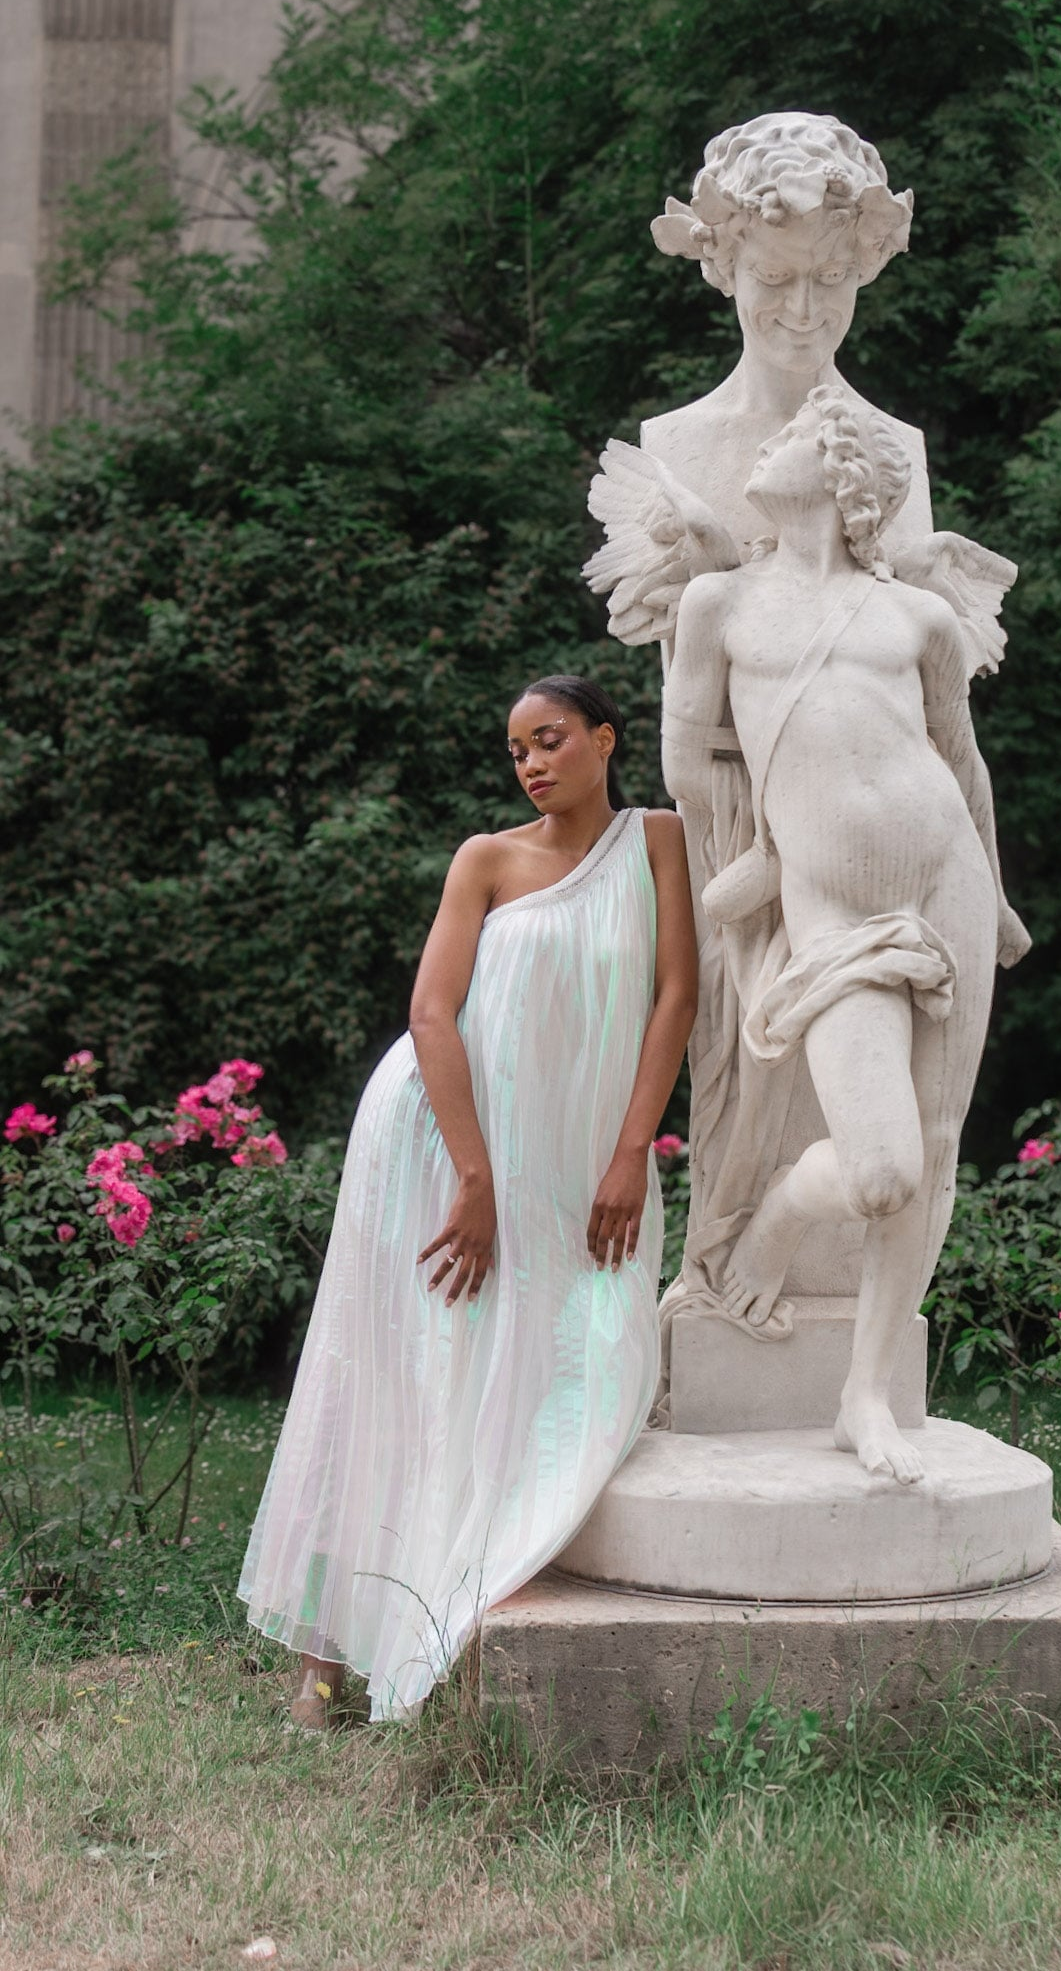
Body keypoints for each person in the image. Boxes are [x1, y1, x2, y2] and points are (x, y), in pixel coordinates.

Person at [238, 677, 697, 1724]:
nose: (533, 762)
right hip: (440, 1140)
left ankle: (455, 1594)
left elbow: (678, 994)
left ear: (603, 739)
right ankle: (329, 1654)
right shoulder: (485, 860)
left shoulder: (658, 840)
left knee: (590, 1354)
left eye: (551, 740)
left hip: (584, 1157)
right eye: (516, 749)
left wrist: (633, 1151)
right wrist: (474, 1175)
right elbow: (432, 1013)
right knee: (404, 1366)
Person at [662, 388, 1027, 1485]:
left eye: (784, 440)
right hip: (826, 904)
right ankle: (772, 1220)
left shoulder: (916, 617)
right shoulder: (717, 604)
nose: (761, 451)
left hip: (946, 875)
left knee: (937, 1144)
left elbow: (961, 765)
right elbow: (689, 763)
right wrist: (752, 856)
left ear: (840, 475)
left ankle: (864, 1395)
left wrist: (996, 892)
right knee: (879, 1169)